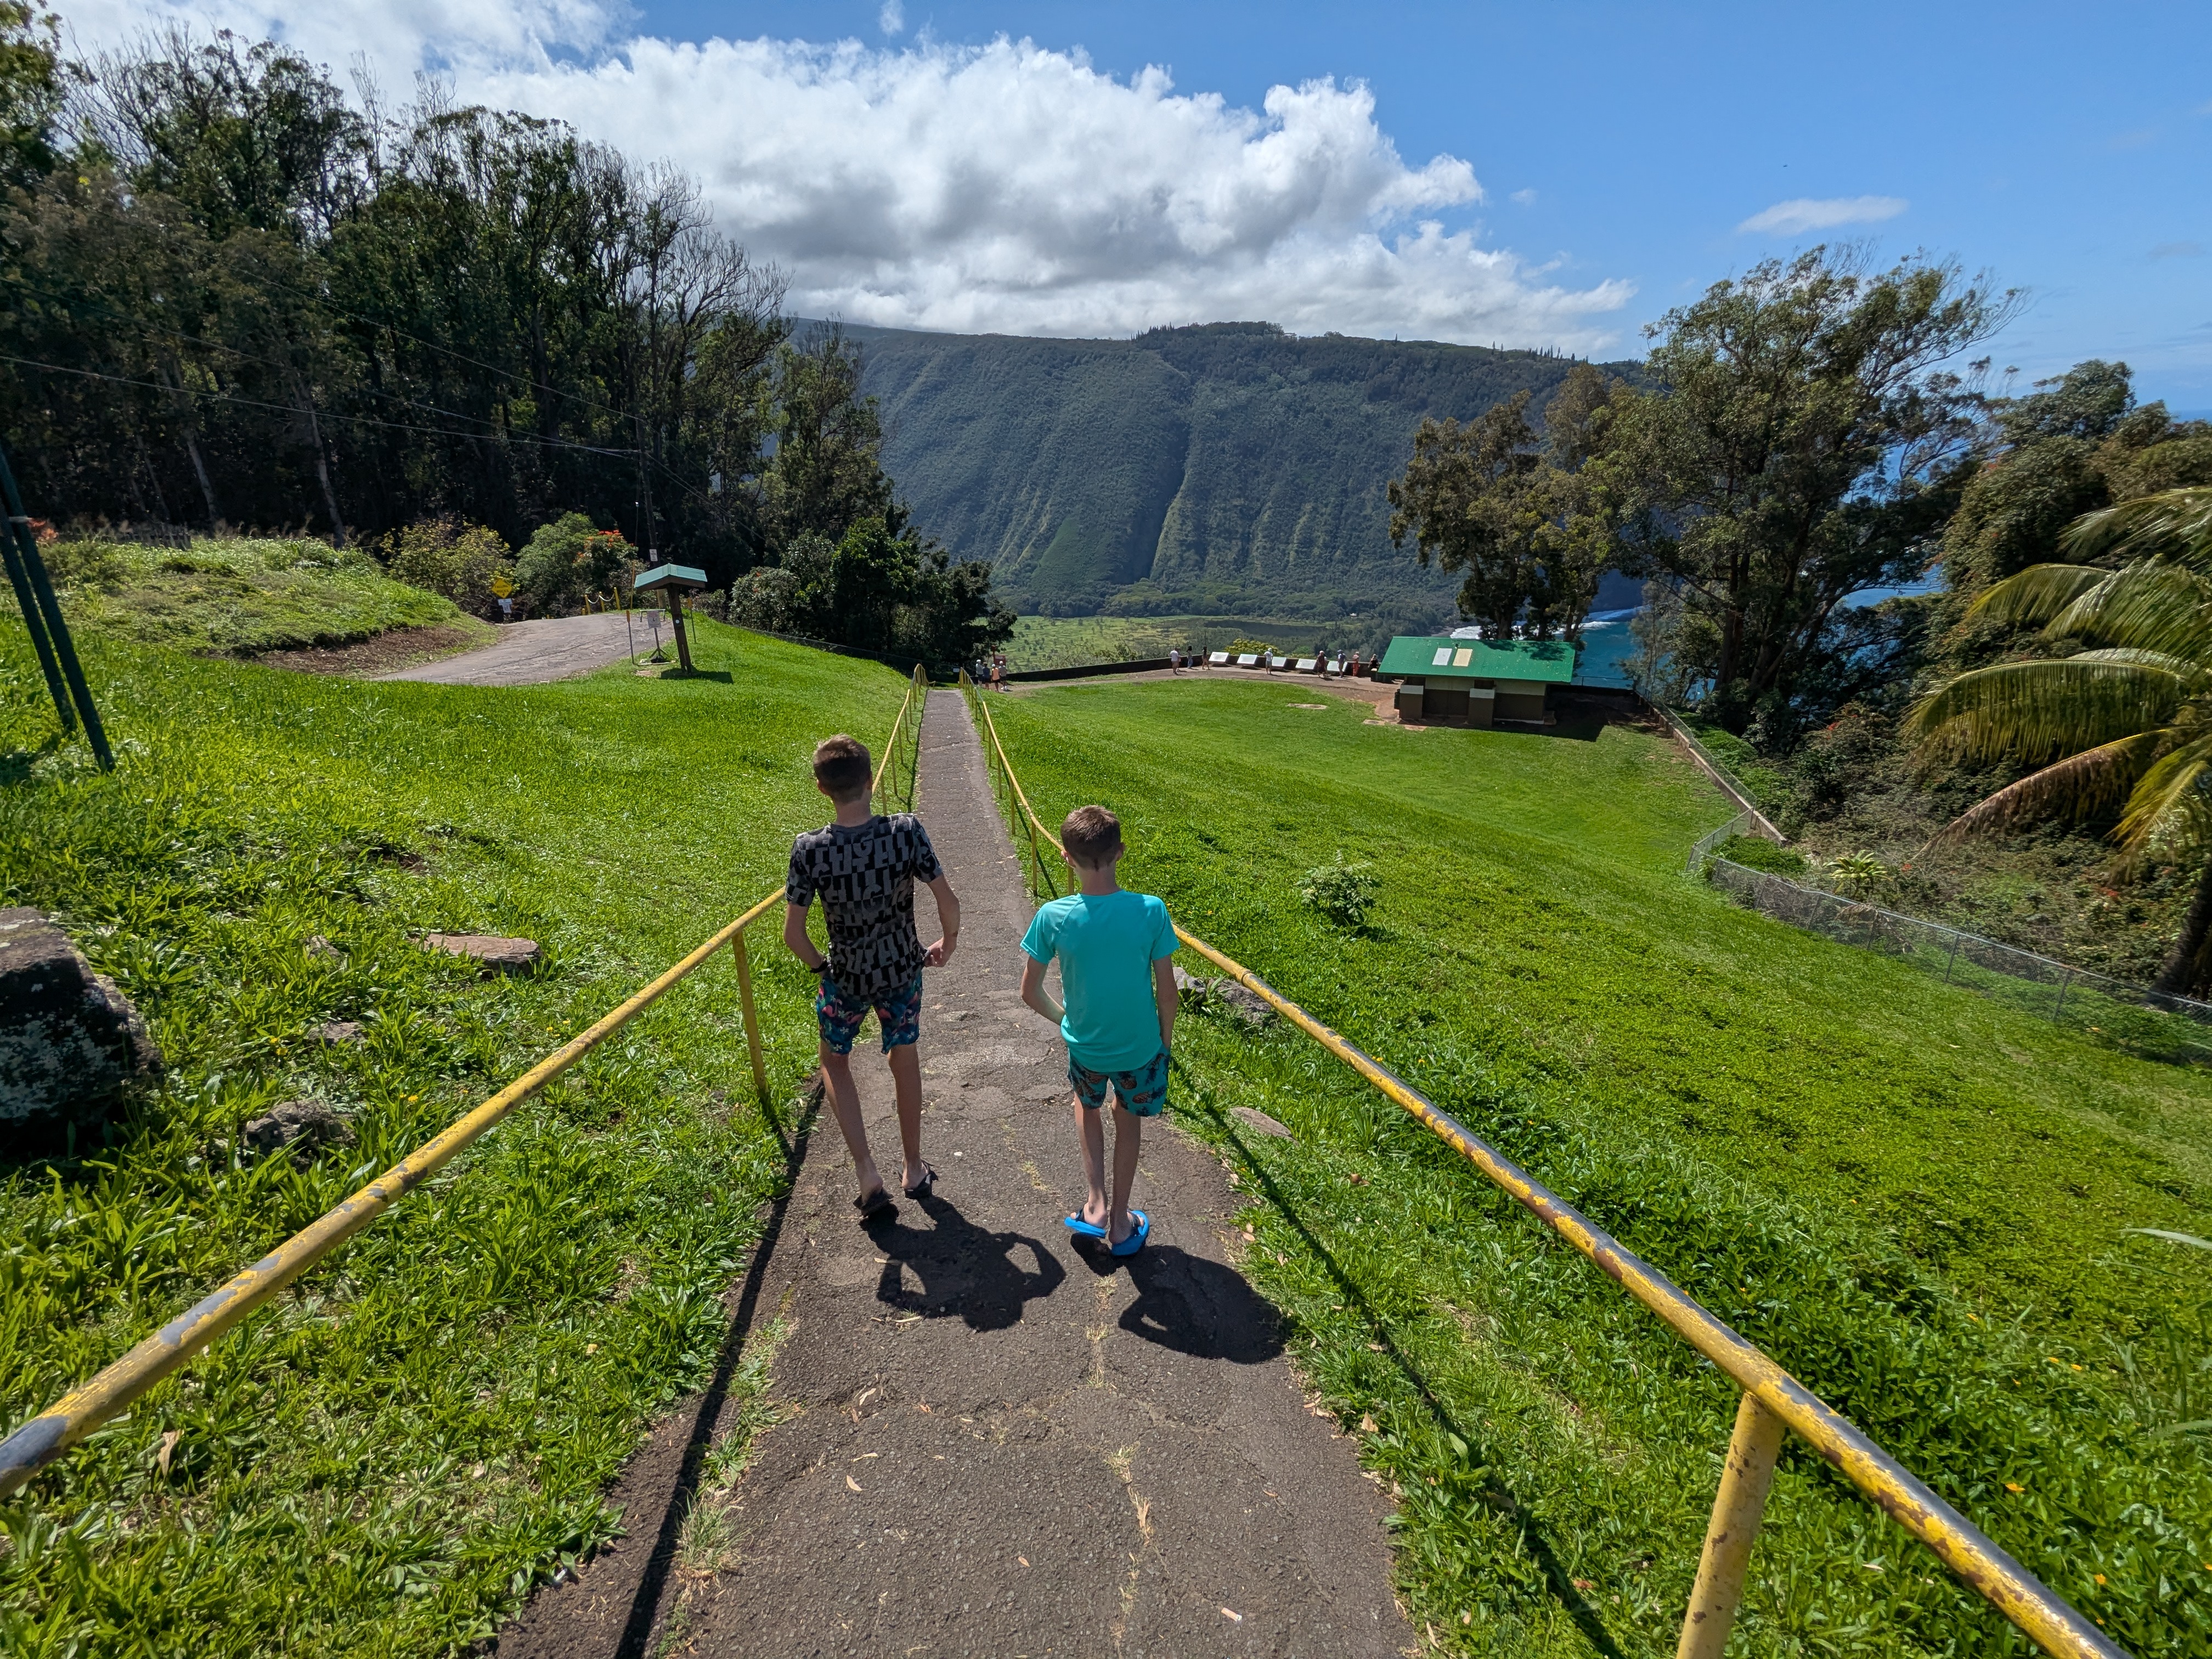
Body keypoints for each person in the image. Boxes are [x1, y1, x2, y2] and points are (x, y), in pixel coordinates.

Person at [783, 734, 961, 1222]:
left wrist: (824, 969)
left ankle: (866, 1173)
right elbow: (948, 901)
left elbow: (794, 936)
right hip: (902, 969)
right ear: (870, 780)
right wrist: (947, 942)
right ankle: (913, 1168)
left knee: (834, 1062)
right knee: (904, 1057)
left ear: (822, 788)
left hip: (846, 976)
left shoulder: (809, 849)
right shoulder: (905, 831)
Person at [1019, 805, 1178, 1257]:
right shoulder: (1151, 911)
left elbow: (1030, 991)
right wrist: (1163, 1045)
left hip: (1086, 1049)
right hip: (1140, 1049)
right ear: (1121, 852)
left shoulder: (1052, 916)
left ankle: (1095, 1206)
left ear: (1066, 857)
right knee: (1128, 1119)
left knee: (1087, 1107)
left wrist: (1066, 1021)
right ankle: (1122, 1223)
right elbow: (1168, 993)